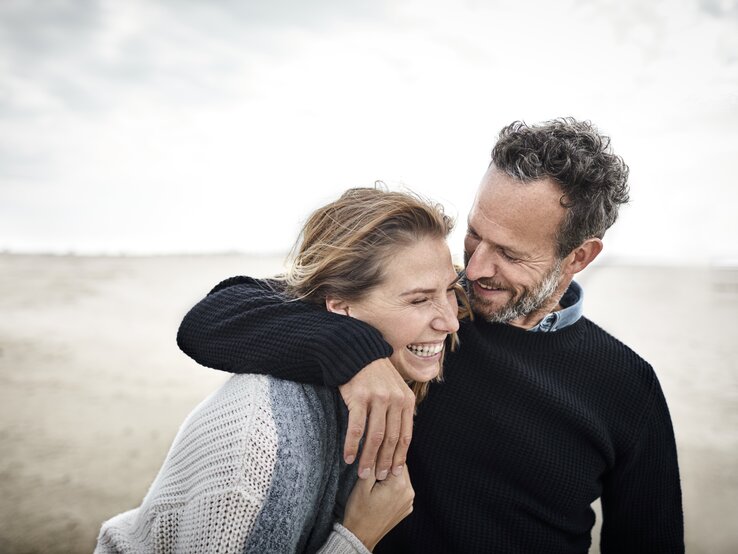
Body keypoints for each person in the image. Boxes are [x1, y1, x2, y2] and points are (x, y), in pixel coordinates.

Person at [177, 118, 684, 553]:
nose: (477, 267)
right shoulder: (425, 312)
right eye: (476, 234)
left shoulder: (629, 387)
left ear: (579, 257)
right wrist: (355, 354)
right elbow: (214, 317)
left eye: (509, 253)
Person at [95, 187, 464, 553]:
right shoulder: (257, 452)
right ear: (341, 309)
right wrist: (356, 538)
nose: (452, 322)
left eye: (450, 289)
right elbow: (212, 314)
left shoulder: (435, 344)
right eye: (419, 299)